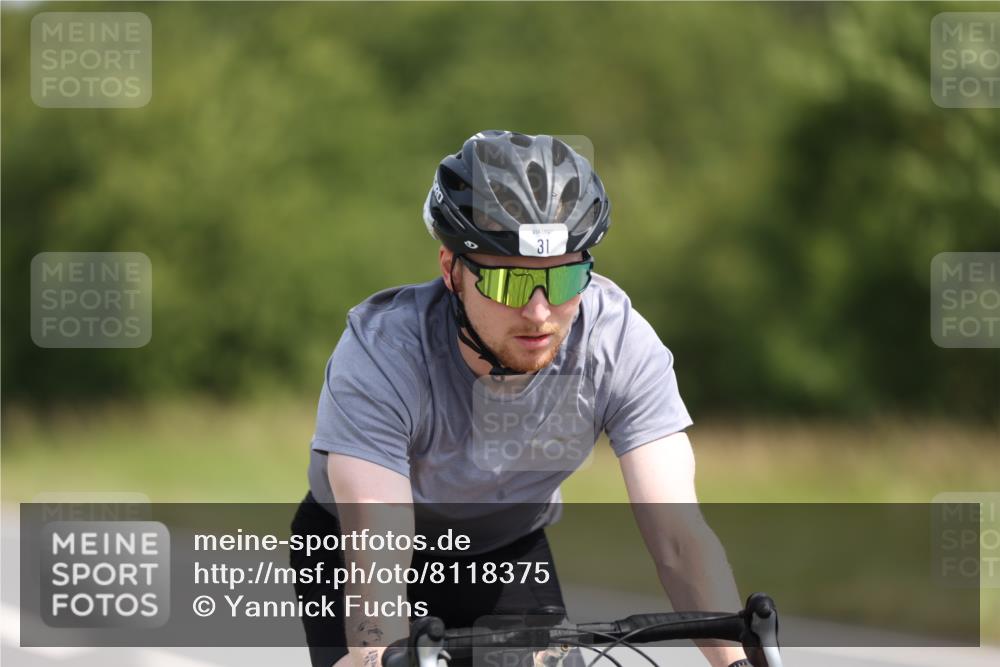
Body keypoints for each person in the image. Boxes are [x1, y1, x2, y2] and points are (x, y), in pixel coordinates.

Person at [290, 130, 752, 667]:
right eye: (509, 284)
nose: (538, 313)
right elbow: (379, 544)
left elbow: (678, 535)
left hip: (505, 550)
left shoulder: (617, 342)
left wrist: (738, 660)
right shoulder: (383, 351)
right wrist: (377, 654)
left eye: (562, 282)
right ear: (451, 270)